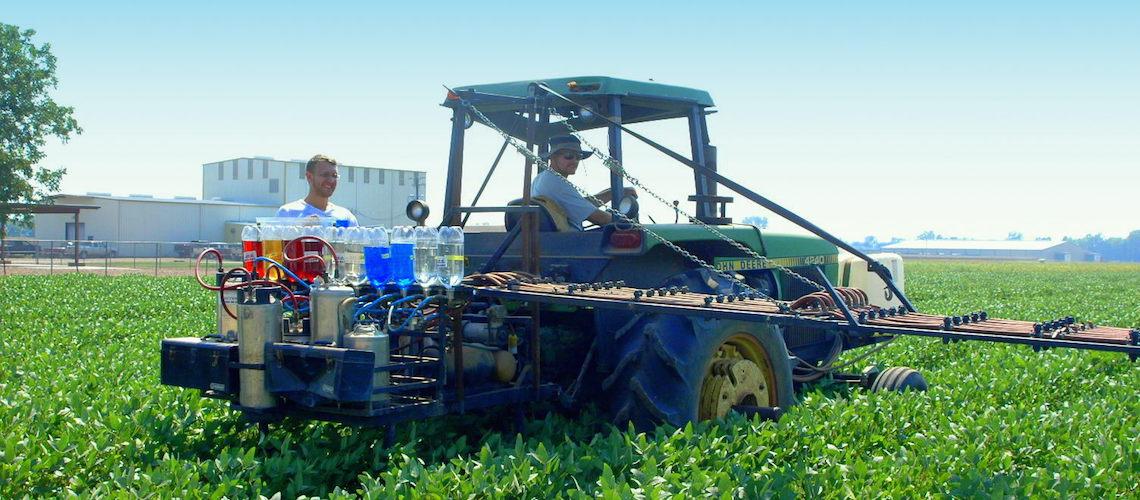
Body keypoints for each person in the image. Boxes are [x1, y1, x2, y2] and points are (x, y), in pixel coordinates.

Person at [531, 135, 636, 230]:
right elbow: (599, 218)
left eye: (578, 157)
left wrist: (614, 192)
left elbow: (583, 205)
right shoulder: (556, 183)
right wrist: (631, 224)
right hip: (567, 245)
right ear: (553, 157)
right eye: (569, 156)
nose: (575, 161)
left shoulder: (543, 178)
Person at [277, 154, 359, 226]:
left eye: (334, 175)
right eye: (325, 175)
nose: (331, 180)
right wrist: (301, 230)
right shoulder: (288, 213)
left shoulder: (346, 217)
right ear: (309, 177)